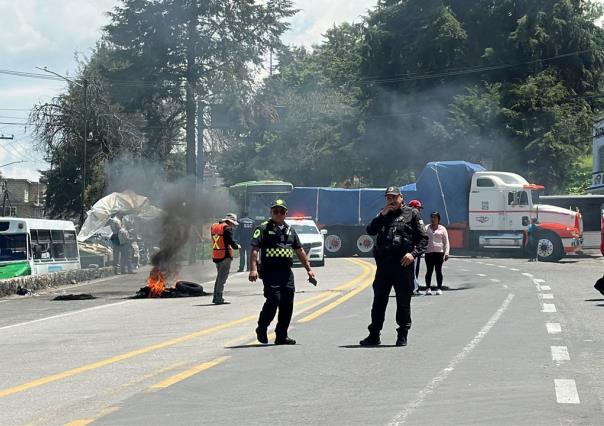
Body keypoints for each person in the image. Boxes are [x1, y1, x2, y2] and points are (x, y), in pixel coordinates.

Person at [360, 186, 428, 347]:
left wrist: (413, 254)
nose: (391, 200)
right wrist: (381, 215)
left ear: (401, 198)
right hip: (384, 265)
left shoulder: (412, 214)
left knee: (403, 301)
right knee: (379, 301)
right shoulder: (383, 214)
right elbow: (370, 230)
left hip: (402, 264)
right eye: (388, 197)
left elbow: (423, 239)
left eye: (394, 197)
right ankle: (374, 335)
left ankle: (402, 334)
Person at [249, 199, 316, 345]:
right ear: (271, 212)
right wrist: (253, 269)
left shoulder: (290, 230)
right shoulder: (263, 229)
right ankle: (262, 327)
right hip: (270, 272)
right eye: (275, 211)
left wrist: (309, 270)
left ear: (286, 213)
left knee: (287, 304)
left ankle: (281, 335)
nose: (278, 214)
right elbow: (255, 249)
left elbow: (300, 251)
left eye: (281, 211)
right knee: (273, 300)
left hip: (286, 273)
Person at [211, 213, 239, 304]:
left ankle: (215, 297)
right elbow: (230, 241)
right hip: (225, 255)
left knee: (219, 277)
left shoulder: (215, 227)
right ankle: (219, 298)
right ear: (230, 221)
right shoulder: (227, 228)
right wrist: (236, 246)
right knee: (222, 278)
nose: (233, 226)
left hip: (216, 254)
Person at [424, 211, 449, 295]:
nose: (433, 219)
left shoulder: (442, 228)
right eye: (432, 217)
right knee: (429, 271)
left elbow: (446, 242)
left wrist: (446, 253)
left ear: (438, 219)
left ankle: (439, 288)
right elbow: (423, 239)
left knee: (438, 271)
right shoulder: (426, 227)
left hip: (439, 253)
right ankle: (428, 288)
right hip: (429, 252)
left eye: (435, 217)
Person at [408, 199, 424, 296]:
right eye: (418, 208)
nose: (419, 210)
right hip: (413, 247)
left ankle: (412, 287)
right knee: (413, 269)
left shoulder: (406, 217)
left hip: (411, 246)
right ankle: (413, 288)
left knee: (413, 269)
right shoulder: (414, 217)